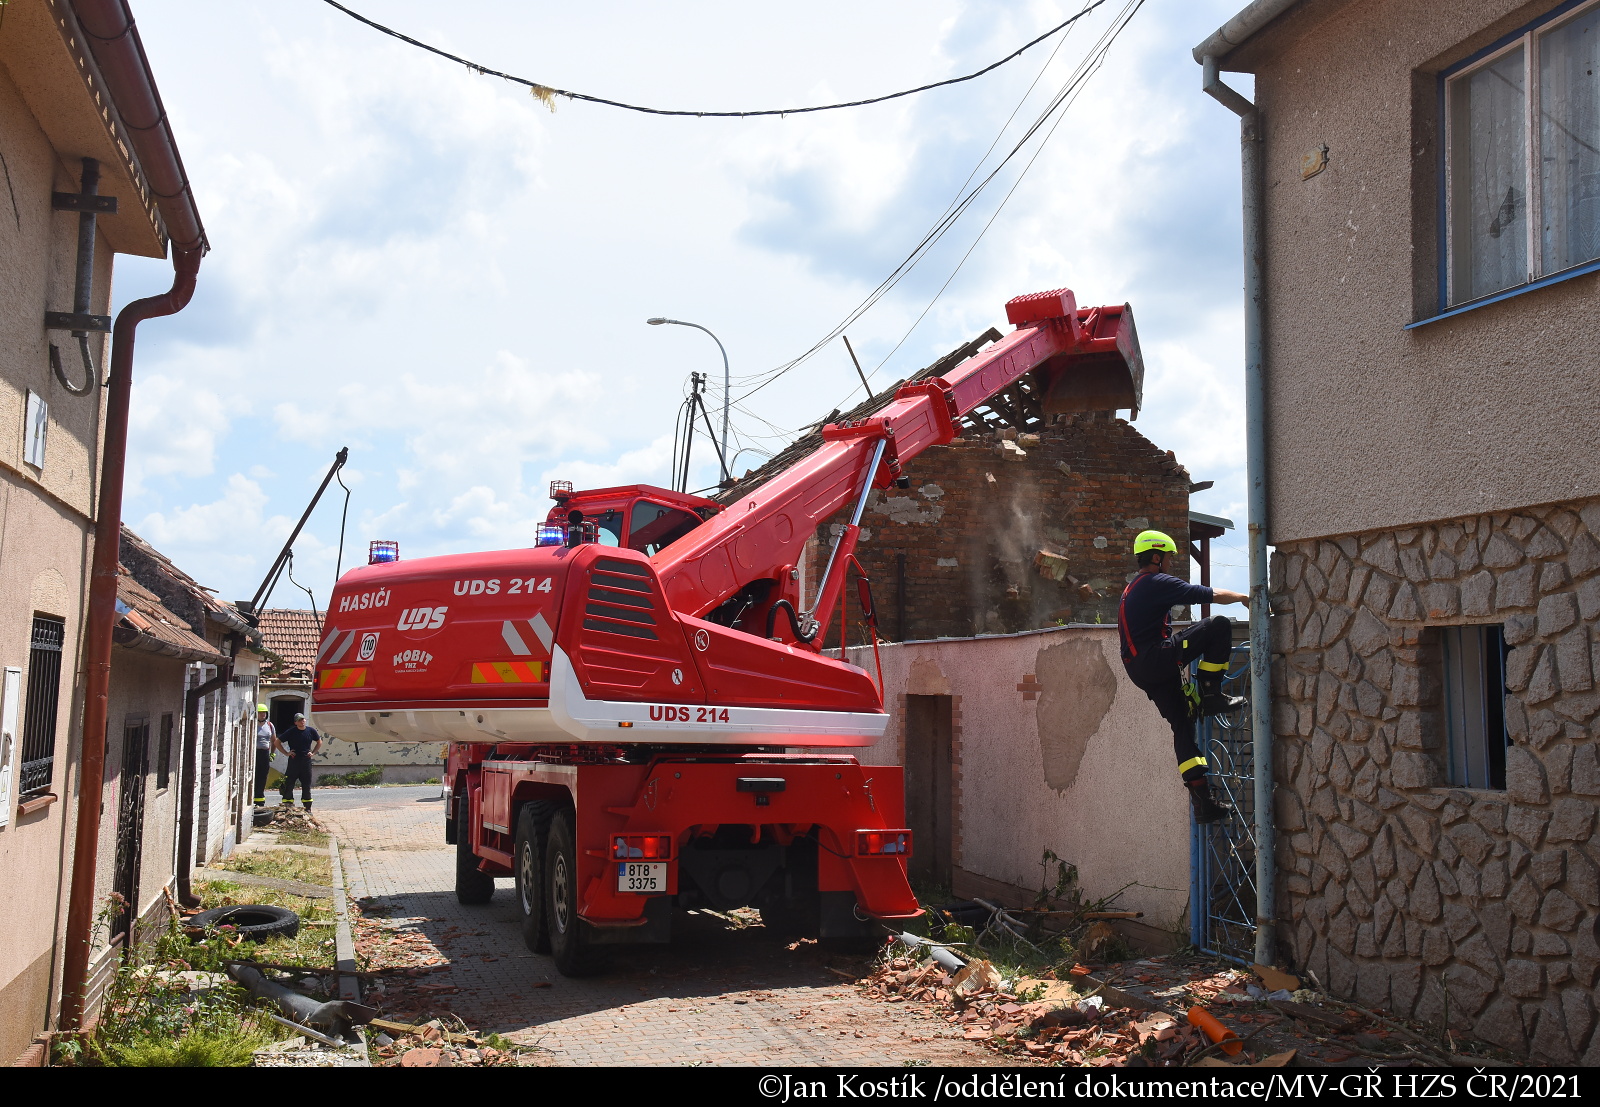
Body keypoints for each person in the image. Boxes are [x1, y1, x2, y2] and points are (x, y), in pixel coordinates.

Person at [1117, 530, 1248, 824]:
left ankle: (1203, 803)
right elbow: (1208, 594)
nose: (1171, 564)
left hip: (1139, 669)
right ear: (1156, 557)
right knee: (1217, 625)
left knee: (1182, 724)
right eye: (1169, 558)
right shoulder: (1155, 582)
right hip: (1154, 659)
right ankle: (1212, 694)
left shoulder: (1133, 587)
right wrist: (1243, 597)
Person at [274, 712, 322, 812]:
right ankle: (288, 806)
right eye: (299, 720)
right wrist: (286, 753)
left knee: (306, 785)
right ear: (296, 722)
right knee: (289, 783)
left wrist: (313, 753)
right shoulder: (291, 732)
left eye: (303, 719)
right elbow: (277, 742)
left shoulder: (311, 731)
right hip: (294, 762)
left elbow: (319, 741)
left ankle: (307, 808)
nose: (302, 721)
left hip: (306, 762)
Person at [253, 704, 276, 808]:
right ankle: (252, 797)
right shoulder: (253, 724)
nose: (262, 715)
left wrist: (272, 753)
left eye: (264, 713)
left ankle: (260, 799)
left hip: (265, 753)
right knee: (254, 775)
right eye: (260, 713)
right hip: (254, 753)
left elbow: (274, 740)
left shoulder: (270, 725)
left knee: (263, 776)